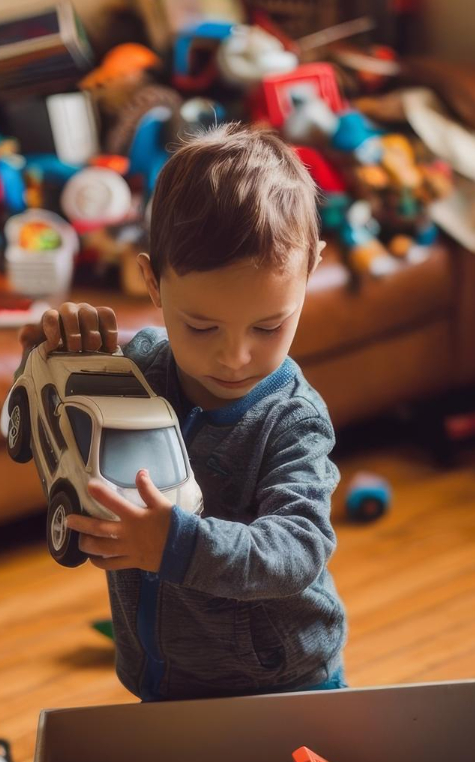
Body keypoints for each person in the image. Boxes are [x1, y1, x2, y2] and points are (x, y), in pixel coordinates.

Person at [20, 123, 347, 701]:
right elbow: (51, 422)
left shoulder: (292, 420)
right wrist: (44, 352)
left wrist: (177, 547)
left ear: (311, 268)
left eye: (270, 326)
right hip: (165, 676)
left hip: (282, 680)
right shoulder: (137, 368)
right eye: (201, 326)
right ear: (152, 280)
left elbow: (299, 549)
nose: (235, 355)